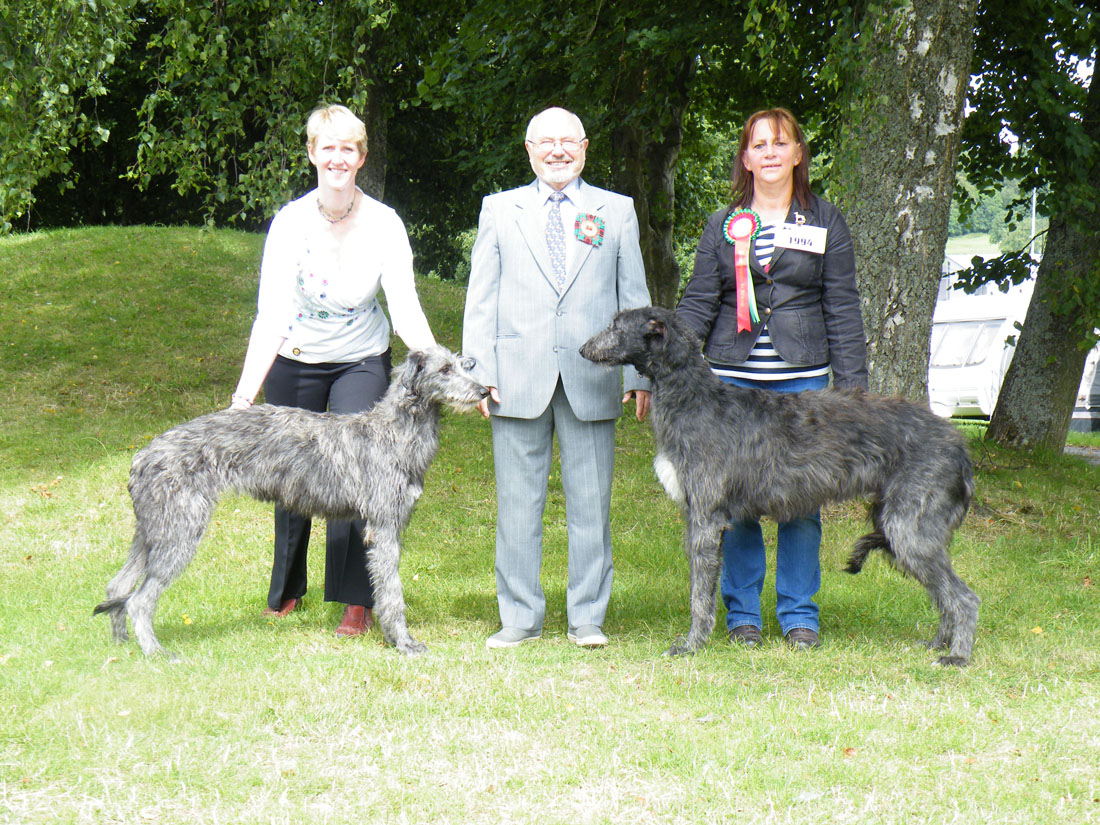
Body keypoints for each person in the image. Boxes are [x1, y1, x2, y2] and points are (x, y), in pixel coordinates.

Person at [230, 104, 437, 637]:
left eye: (349, 148)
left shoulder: (385, 223)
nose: (338, 158)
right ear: (312, 154)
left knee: (358, 473)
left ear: (361, 157)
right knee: (292, 474)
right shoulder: (290, 222)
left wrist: (437, 363)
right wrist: (242, 400)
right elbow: (272, 313)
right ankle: (285, 590)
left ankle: (355, 599)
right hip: (296, 357)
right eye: (329, 148)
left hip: (360, 357)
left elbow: (406, 306)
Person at [676, 107, 868, 651]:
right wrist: (671, 360)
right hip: (730, 385)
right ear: (745, 158)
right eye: (758, 145)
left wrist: (852, 391)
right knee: (734, 503)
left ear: (797, 154)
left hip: (802, 385)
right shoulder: (724, 224)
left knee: (801, 503)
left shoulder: (825, 220)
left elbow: (842, 306)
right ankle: (742, 616)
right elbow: (699, 300)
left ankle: (799, 614)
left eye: (779, 143)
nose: (769, 153)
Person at [462, 107, 652, 649]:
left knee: (591, 504)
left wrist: (640, 376)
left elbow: (633, 301)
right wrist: (478, 373)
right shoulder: (499, 210)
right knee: (517, 508)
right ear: (528, 150)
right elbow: (482, 298)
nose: (557, 151)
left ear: (585, 147)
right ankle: (519, 617)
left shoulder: (615, 212)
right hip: (515, 379)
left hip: (592, 378)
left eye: (568, 141)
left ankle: (587, 617)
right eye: (546, 142)